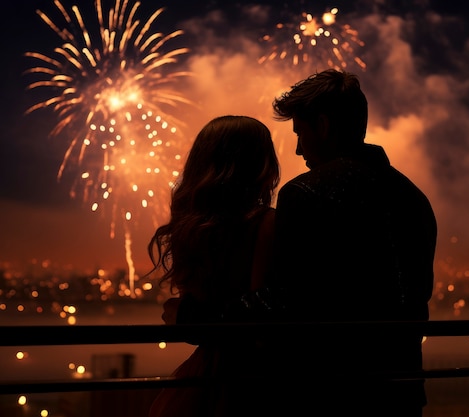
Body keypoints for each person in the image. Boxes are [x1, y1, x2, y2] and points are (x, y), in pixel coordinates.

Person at [265, 68, 438, 416]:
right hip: (402, 391)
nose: (298, 149)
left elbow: (282, 300)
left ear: (324, 126)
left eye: (300, 132)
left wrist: (199, 316)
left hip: (330, 392)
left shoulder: (303, 193)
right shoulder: (413, 198)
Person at [146, 115, 280, 417]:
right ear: (259, 163)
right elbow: (260, 322)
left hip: (203, 376)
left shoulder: (192, 230)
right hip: (249, 382)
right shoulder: (266, 224)